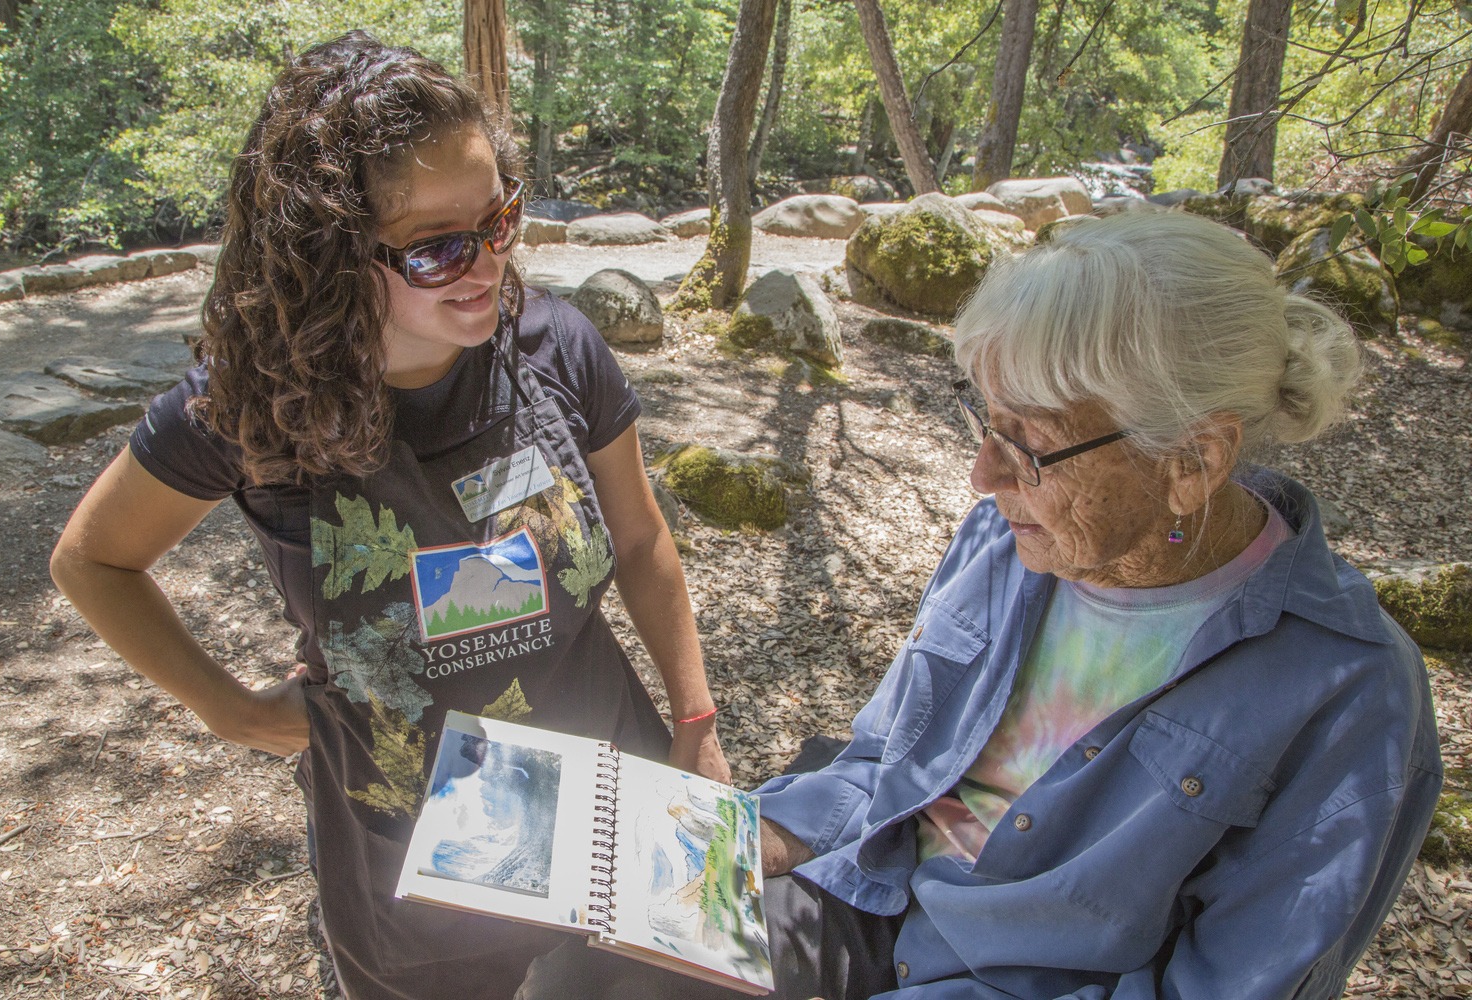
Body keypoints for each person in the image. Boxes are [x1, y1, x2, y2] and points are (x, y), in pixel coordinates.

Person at [518, 210, 1442, 999]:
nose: (982, 475)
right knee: (579, 968)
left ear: (1194, 460)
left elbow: (1235, 982)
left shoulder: (1347, 689)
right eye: (984, 423)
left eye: (1030, 445)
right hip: (872, 892)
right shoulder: (1010, 538)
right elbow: (890, 761)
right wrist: (776, 831)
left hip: (1022, 979)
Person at [49, 32, 729, 1000]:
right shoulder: (246, 404)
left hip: (608, 771)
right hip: (412, 836)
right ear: (326, 251)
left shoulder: (557, 344)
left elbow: (640, 537)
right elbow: (93, 562)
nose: (484, 262)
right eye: (435, 246)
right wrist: (230, 707)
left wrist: (695, 719)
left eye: (499, 219)